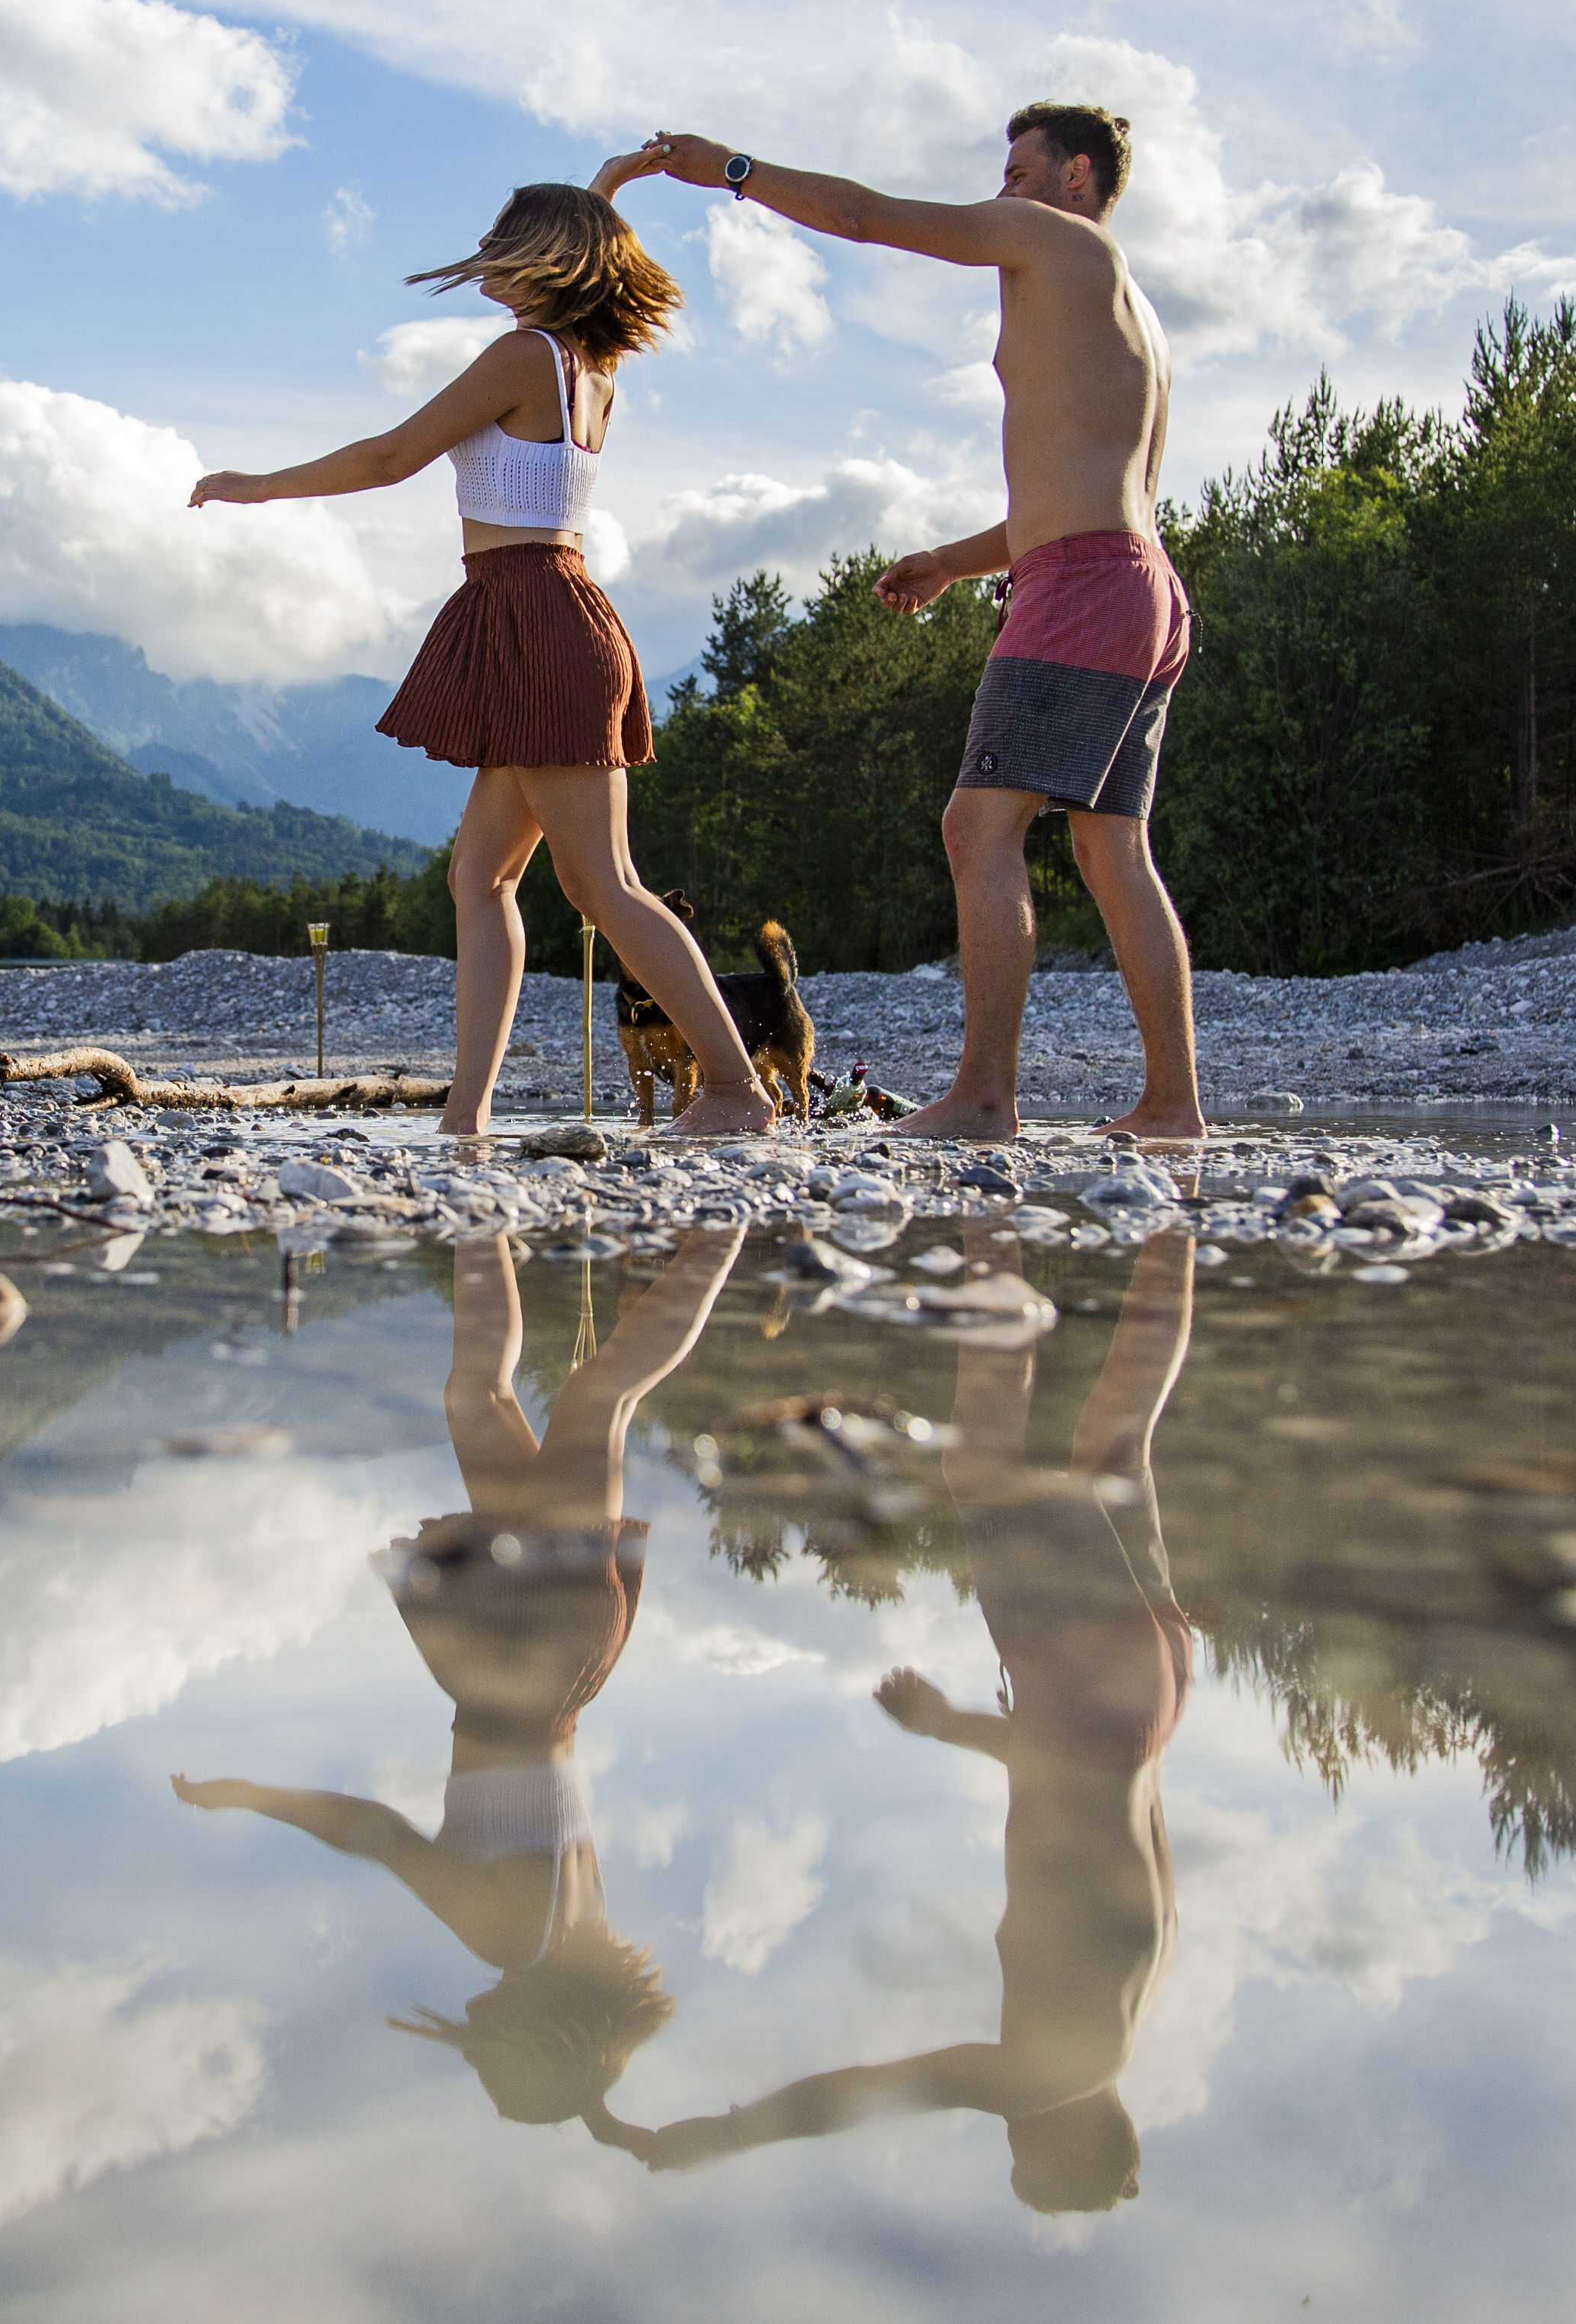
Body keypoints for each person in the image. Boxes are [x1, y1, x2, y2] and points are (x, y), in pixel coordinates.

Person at [596, 1224, 1198, 2215]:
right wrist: (723, 2135)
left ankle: (1166, 1221)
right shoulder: (1061, 2067)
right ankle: (992, 1235)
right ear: (1066, 2137)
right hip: (1086, 1707)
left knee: (1116, 1446)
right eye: (1023, 2153)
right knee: (987, 1466)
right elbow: (889, 2091)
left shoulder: (1138, 2009)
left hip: (1150, 1702)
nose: (1007, 2127)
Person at [634, 106, 1203, 1143]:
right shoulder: (1133, 310)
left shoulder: (1052, 240)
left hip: (1084, 586)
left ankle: (985, 1097)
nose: (1001, 195)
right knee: (1116, 849)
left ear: (1078, 177)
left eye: (1020, 172)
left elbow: (862, 215)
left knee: (977, 828)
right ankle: (1174, 1107)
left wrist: (735, 170)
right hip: (1142, 586)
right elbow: (1085, 488)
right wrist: (955, 560)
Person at [191, 171, 781, 1138]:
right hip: (543, 615)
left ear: (548, 257)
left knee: (605, 883)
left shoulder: (523, 357)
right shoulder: (592, 366)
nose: (489, 263)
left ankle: (732, 1088)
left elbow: (391, 456)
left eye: (508, 245)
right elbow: (587, 229)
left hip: (541, 618)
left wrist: (258, 487)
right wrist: (615, 181)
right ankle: (466, 1116)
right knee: (481, 875)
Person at [173, 1224, 743, 2128]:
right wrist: (248, 1796)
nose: (476, 2039)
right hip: (528, 1665)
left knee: (480, 1396)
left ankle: (482, 1210)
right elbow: (377, 1834)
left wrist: (606, 2119)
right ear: (534, 2040)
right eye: (494, 2058)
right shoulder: (513, 1943)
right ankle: (727, 1225)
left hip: (555, 1670)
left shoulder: (581, 1934)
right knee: (598, 1399)